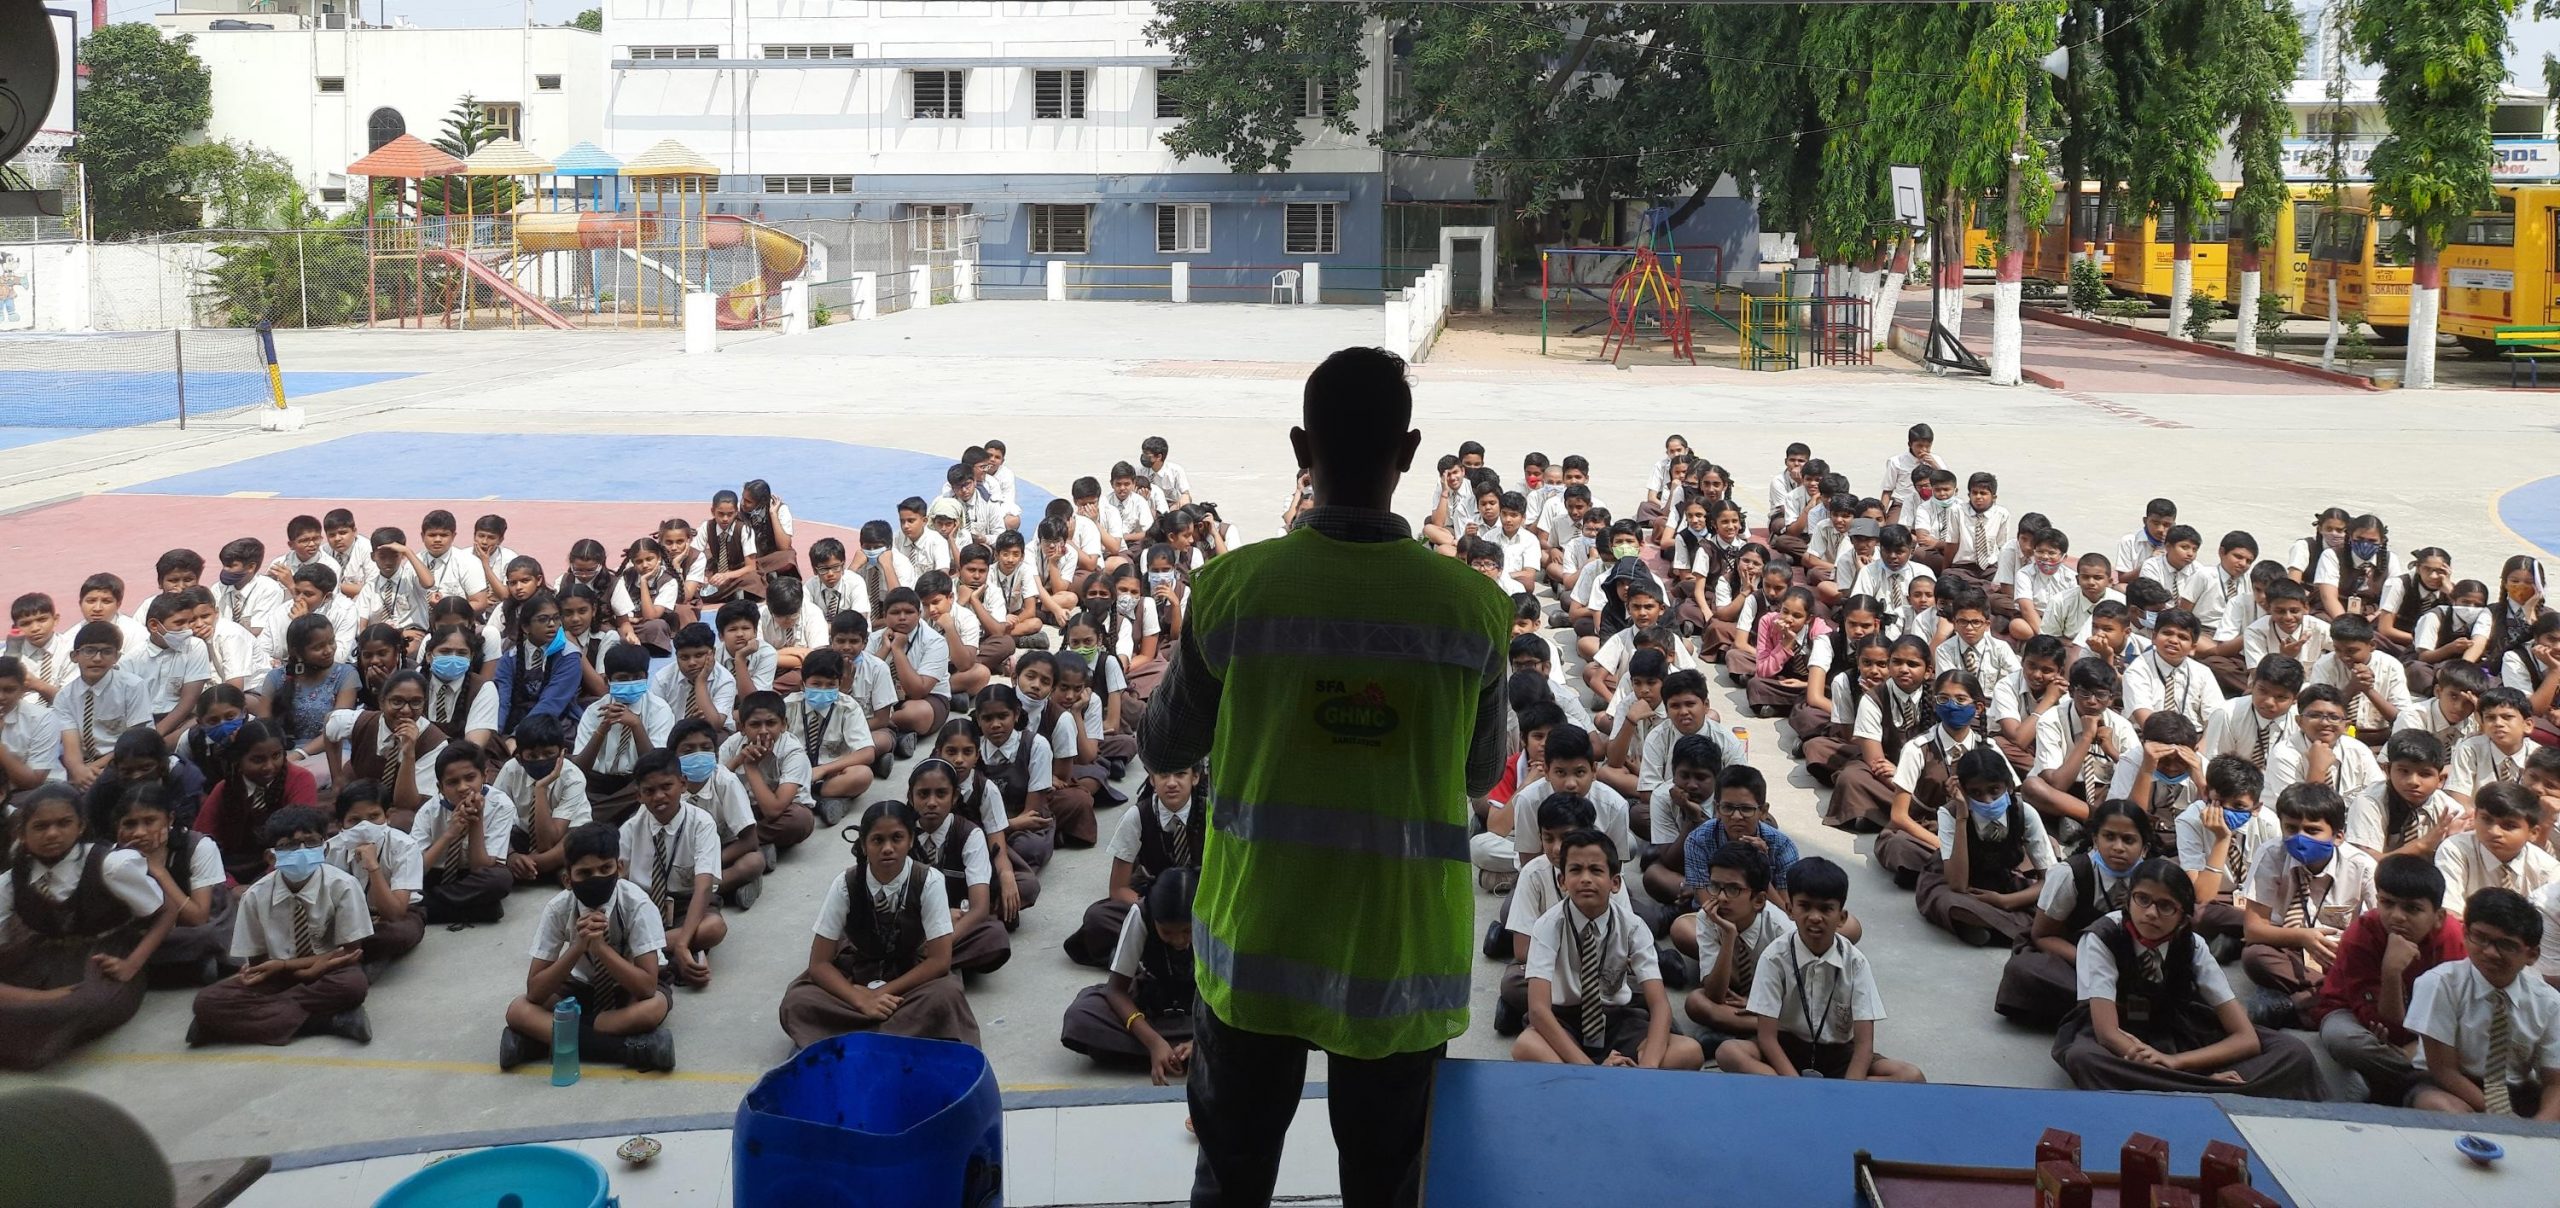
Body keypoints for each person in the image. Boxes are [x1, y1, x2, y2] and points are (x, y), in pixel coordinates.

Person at [1138, 347, 1510, 1207]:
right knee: (1386, 1188)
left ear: (1302, 449)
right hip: (1400, 955)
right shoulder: (1473, 609)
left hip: (1255, 948)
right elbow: (1482, 770)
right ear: (1409, 452)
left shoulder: (1234, 589)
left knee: (1233, 1180)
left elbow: (1164, 746)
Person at [2050, 859, 2324, 1099]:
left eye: (2166, 906)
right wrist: (2184, 1070)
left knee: (2292, 1051)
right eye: (2142, 899)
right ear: (2128, 900)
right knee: (2084, 1058)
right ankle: (2207, 1089)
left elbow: (2246, 1038)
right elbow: (2107, 1033)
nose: (2151, 913)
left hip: (2175, 1029)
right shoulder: (2102, 936)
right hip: (2123, 1035)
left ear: (2183, 918)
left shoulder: (2192, 944)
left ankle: (2177, 1091)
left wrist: (2175, 1062)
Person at [777, 800, 980, 1049]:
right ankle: (898, 1034)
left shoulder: (930, 881)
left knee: (946, 995)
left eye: (897, 838)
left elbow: (939, 961)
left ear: (910, 840)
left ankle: (855, 1037)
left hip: (910, 979)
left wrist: (880, 994)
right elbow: (819, 963)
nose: (887, 848)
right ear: (864, 845)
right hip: (857, 974)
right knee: (798, 1001)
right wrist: (859, 999)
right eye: (877, 840)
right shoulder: (845, 884)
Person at [0, 785, 169, 1069]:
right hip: (45, 956)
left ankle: (35, 1022)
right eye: (40, 826)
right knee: (52, 1006)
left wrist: (132, 964)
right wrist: (44, 997)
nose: (52, 834)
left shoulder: (111, 865)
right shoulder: (11, 881)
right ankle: (40, 1008)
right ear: (22, 834)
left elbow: (165, 912)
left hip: (105, 957)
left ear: (80, 827)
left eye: (63, 823)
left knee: (79, 1006)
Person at [1714, 856, 1924, 1082]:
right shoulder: (1774, 957)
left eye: (1826, 909)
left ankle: (1822, 1093)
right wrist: (1797, 1085)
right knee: (1729, 1052)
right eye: (1804, 906)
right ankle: (1801, 1091)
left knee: (1911, 1076)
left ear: (1842, 917)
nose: (1815, 917)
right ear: (1790, 910)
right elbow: (1767, 1038)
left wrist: (1850, 1090)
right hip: (1786, 1049)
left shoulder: (1856, 962)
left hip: (1840, 1052)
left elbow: (1864, 1044)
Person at [1513, 830, 1704, 1070]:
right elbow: (1538, 1009)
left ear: (1615, 883)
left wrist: (1649, 1067)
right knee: (1526, 1046)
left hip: (1618, 1018)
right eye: (1575, 870)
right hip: (1564, 1020)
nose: (1585, 879)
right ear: (1562, 881)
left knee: (1689, 1051)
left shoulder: (1633, 926)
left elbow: (1659, 1005)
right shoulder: (1547, 925)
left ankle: (1598, 1079)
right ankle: (1600, 1078)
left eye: (1596, 870)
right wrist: (1591, 1070)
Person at [186, 806, 372, 1047]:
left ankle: (232, 1024)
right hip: (277, 976)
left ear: (325, 848)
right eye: (289, 846)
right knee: (206, 1001)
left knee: (352, 985)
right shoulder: (255, 896)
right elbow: (258, 964)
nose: (302, 851)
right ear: (271, 857)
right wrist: (285, 970)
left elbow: (350, 952)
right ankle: (326, 1021)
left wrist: (298, 967)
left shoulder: (343, 885)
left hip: (328, 971)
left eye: (311, 842)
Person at [499, 823, 675, 1073]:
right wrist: (578, 947)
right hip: (580, 986)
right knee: (518, 1010)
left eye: (605, 869)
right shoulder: (558, 909)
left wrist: (601, 948)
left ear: (620, 868)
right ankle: (629, 1048)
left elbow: (646, 987)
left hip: (628, 987)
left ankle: (541, 1041)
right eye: (584, 873)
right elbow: (535, 992)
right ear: (568, 880)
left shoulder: (638, 905)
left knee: (652, 1008)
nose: (596, 878)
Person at [2309, 854, 2467, 1104]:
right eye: (2387, 903)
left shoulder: (2452, 937)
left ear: (2438, 916)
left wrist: (2419, 1041)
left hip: (2427, 1027)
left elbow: (2455, 1010)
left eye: (2412, 909)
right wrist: (2391, 972)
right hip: (2351, 1012)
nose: (2397, 916)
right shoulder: (2361, 934)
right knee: (2342, 1038)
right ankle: (2432, 1077)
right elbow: (2385, 1024)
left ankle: (2402, 1078)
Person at [2405, 887, 2560, 1119]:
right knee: (2445, 1109)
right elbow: (2443, 1069)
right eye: (2480, 938)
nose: (2490, 953)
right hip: (2446, 1084)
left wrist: (2538, 1128)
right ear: (2465, 934)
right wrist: (2503, 1118)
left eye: (2506, 945)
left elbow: (2555, 1082)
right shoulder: (2440, 984)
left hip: (2517, 1090)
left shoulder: (2549, 1003)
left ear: (2532, 955)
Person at [1995, 799, 2152, 1027]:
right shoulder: (2070, 874)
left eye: (2128, 840)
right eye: (2109, 837)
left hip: (2132, 964)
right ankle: (2120, 1012)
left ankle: (2106, 1012)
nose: (2118, 847)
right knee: (2025, 972)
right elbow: (2043, 936)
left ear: (2144, 848)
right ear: (2095, 839)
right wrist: (2095, 963)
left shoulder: (2155, 879)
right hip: (2074, 958)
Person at [2237, 784, 2378, 1027]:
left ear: (2338, 836)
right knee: (2255, 956)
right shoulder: (2272, 854)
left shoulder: (2362, 866)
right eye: (2291, 829)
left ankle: (2296, 1005)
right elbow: (2253, 930)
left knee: (2369, 969)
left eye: (2313, 830)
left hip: (2338, 953)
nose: (2300, 838)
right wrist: (2303, 937)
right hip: (2289, 944)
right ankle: (2334, 999)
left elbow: (2379, 930)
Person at [1060, 866, 1200, 1080]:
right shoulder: (1141, 913)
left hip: (1202, 1016)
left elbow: (1230, 994)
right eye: (1166, 932)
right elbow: (1116, 990)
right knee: (1080, 1016)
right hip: (1153, 1007)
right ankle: (1179, 1054)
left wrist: (1199, 1041)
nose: (1179, 940)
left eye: (1187, 931)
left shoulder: (1213, 917)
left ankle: (1190, 1050)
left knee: (1243, 1033)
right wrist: (1154, 1043)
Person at [1063, 759, 1201, 968]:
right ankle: (1173, 952)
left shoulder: (1211, 815)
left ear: (1195, 777)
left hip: (1200, 909)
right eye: (1164, 775)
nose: (1172, 783)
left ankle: (1145, 954)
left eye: (1181, 774)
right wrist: (1153, 911)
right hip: (1150, 908)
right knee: (1097, 919)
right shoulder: (1137, 816)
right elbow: (1118, 889)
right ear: (1152, 779)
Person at [618, 748, 728, 991]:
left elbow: (703, 888)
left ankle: (647, 952)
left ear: (683, 784)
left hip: (686, 904)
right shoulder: (630, 829)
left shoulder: (701, 823)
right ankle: (673, 957)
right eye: (649, 791)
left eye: (666, 786)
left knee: (714, 927)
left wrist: (682, 942)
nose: (659, 796)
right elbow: (616, 881)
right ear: (638, 795)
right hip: (643, 906)